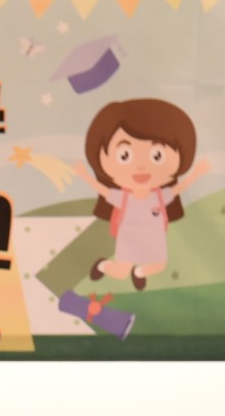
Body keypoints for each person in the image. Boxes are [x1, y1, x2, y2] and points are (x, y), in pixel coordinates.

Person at [75, 98, 209, 291]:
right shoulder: (125, 198)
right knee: (121, 271)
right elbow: (104, 191)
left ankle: (139, 272)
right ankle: (102, 266)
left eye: (157, 156)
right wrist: (85, 176)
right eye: (124, 155)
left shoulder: (159, 196)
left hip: (154, 238)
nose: (140, 166)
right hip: (128, 238)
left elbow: (177, 189)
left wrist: (196, 174)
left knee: (159, 265)